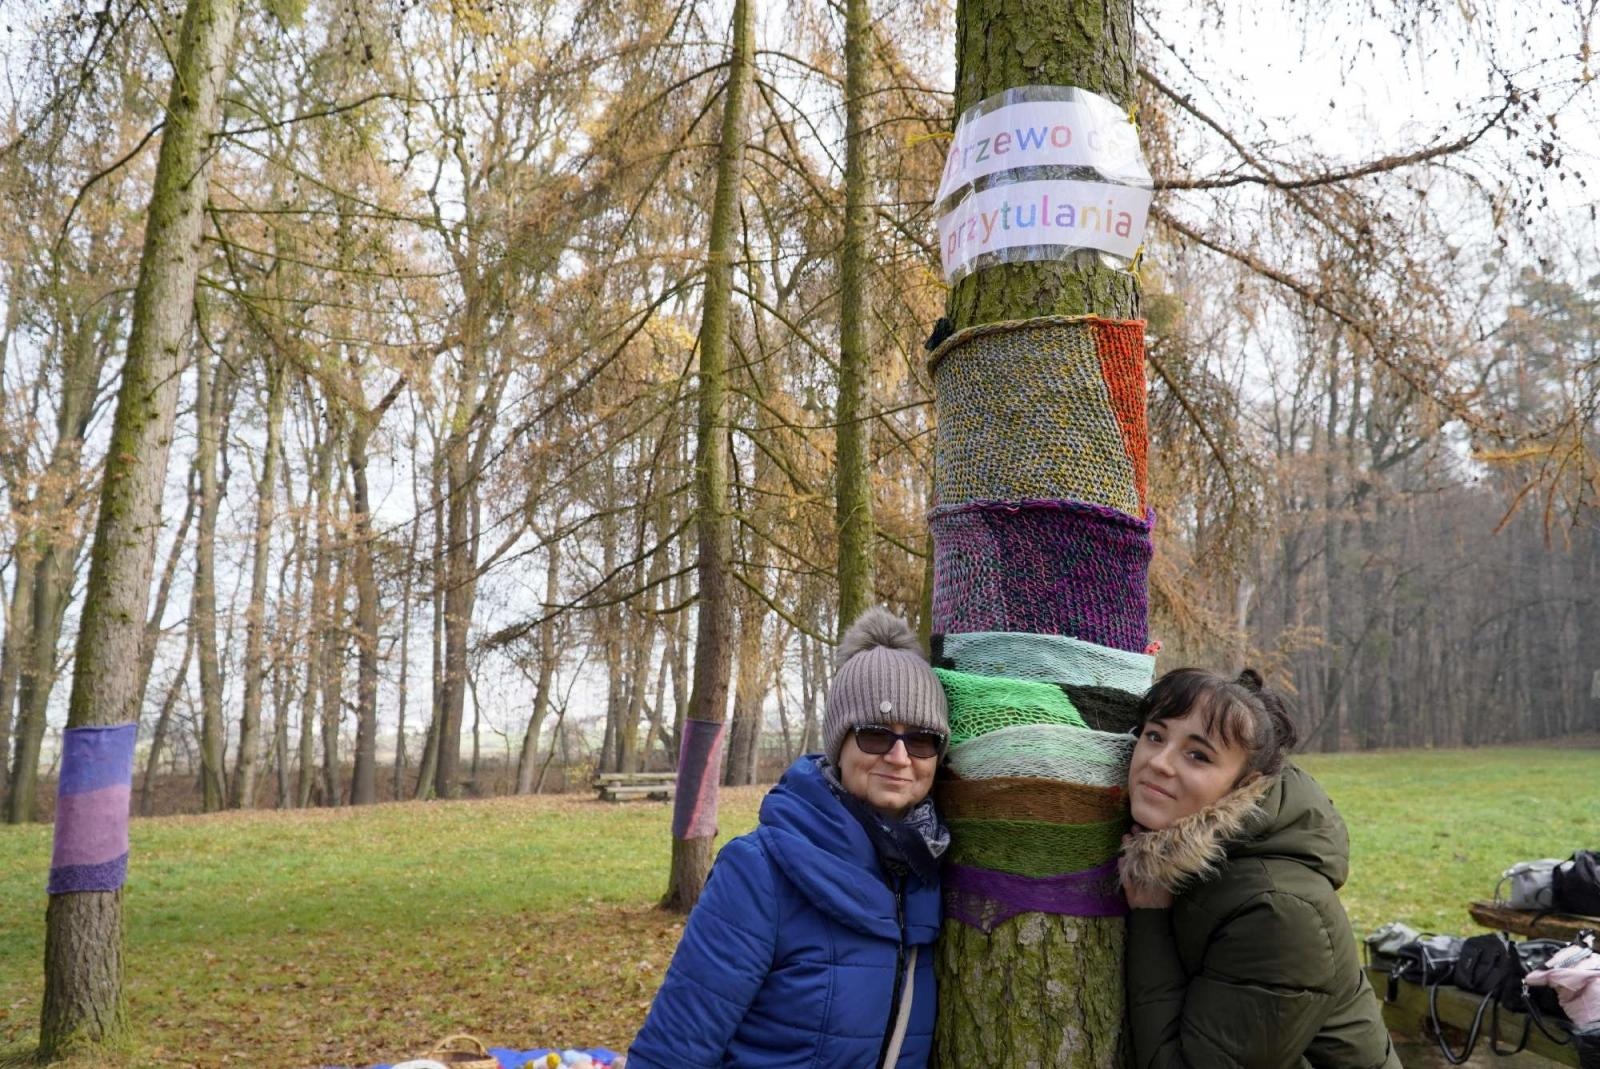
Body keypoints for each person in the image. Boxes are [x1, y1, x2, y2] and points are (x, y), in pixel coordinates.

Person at [626, 607, 950, 1069]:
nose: (900, 757)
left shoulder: (937, 875)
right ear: (839, 745)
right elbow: (672, 1052)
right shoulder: (759, 873)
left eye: (921, 740)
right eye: (876, 735)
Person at [1118, 668, 1401, 1069]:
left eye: (1198, 755)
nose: (1159, 763)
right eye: (1154, 736)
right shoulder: (1198, 855)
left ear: (1245, 784)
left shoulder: (1279, 911)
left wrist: (1150, 917)